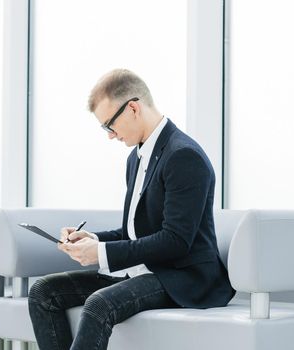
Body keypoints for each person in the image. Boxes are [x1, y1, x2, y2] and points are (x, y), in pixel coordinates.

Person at [28, 69, 235, 350]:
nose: (110, 136)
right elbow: (132, 232)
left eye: (109, 126)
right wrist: (93, 239)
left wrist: (100, 254)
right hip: (144, 271)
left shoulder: (184, 156)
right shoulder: (135, 158)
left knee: (98, 305)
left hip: (182, 276)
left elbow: (175, 241)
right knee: (43, 292)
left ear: (133, 108)